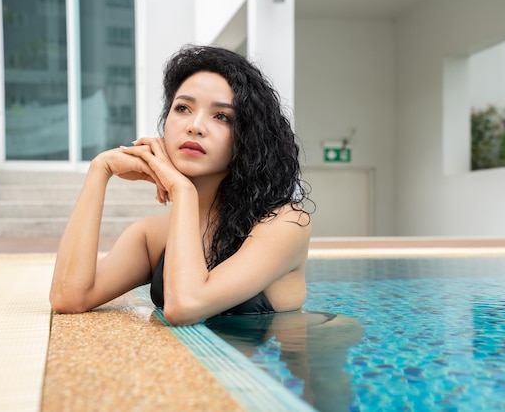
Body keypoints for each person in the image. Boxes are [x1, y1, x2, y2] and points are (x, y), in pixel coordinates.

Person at [50, 44, 312, 326]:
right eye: (183, 108)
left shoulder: (285, 223)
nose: (195, 126)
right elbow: (69, 297)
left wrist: (182, 189)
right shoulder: (152, 236)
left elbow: (184, 307)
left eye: (222, 116)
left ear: (247, 139)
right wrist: (98, 171)